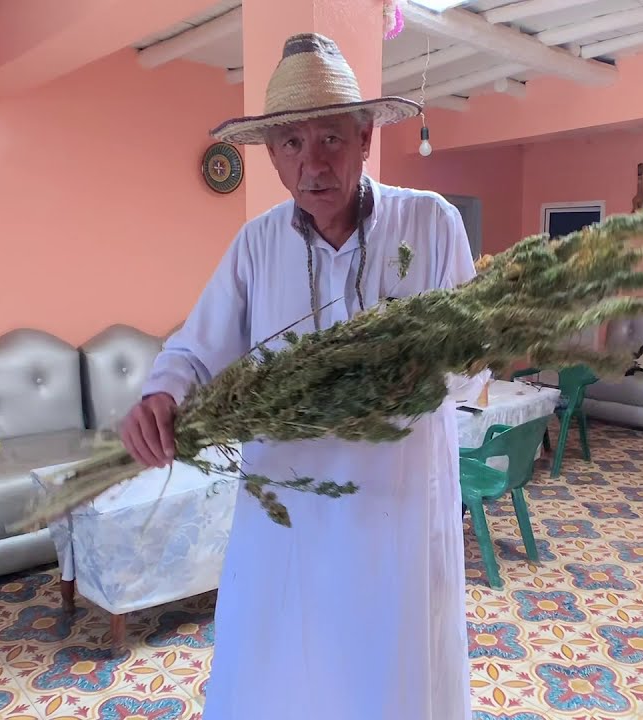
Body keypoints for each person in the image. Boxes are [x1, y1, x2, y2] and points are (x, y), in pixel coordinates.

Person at [120, 32, 485, 720]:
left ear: (366, 136)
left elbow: (471, 367)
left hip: (398, 507)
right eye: (290, 143)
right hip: (290, 508)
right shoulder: (256, 245)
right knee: (282, 661)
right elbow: (196, 350)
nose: (311, 162)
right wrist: (161, 395)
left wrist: (422, 369)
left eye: (330, 139)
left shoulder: (430, 224)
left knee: (393, 667)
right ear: (271, 155)